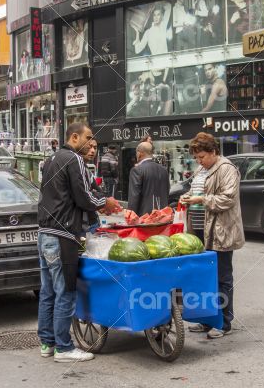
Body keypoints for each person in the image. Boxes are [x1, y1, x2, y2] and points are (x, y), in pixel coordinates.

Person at [37, 122, 118, 362]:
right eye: (89, 138)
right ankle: (63, 347)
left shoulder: (52, 159)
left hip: (45, 234)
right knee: (66, 292)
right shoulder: (74, 159)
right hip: (63, 237)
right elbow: (84, 196)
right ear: (75, 137)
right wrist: (106, 202)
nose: (92, 143)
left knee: (48, 292)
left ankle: (47, 343)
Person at [183, 132, 245, 339]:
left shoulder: (227, 169)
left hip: (220, 232)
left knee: (222, 279)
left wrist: (201, 199)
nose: (199, 161)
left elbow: (227, 199)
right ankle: (206, 320)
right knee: (202, 278)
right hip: (199, 231)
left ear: (213, 152)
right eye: (196, 158)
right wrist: (189, 197)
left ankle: (224, 322)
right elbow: (196, 192)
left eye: (201, 156)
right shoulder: (202, 169)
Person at [128, 142, 170, 216]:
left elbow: (134, 197)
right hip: (163, 216)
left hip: (145, 218)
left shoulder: (137, 170)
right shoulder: (164, 170)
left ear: (139, 153)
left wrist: (130, 215)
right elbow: (167, 192)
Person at [82, 139, 103, 234]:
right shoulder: (77, 168)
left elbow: (98, 190)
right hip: (83, 226)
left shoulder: (86, 169)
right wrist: (104, 202)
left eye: (95, 147)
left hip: (92, 222)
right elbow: (84, 196)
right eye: (89, 147)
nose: (93, 151)